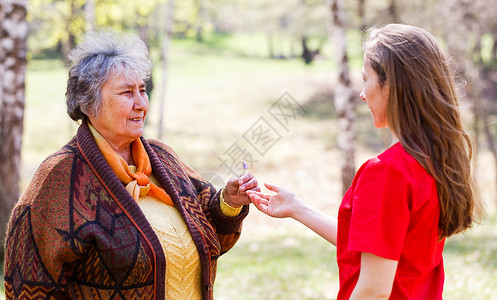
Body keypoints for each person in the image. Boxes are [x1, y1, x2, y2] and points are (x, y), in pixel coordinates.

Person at [3, 30, 259, 300]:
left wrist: (229, 203)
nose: (141, 104)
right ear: (89, 103)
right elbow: (27, 288)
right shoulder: (60, 177)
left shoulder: (163, 159)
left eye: (143, 90)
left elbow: (209, 238)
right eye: (127, 92)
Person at [247, 23, 481, 299]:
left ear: (391, 85)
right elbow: (376, 248)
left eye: (366, 79)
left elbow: (373, 291)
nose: (361, 93)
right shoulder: (433, 161)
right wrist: (298, 208)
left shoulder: (387, 173)